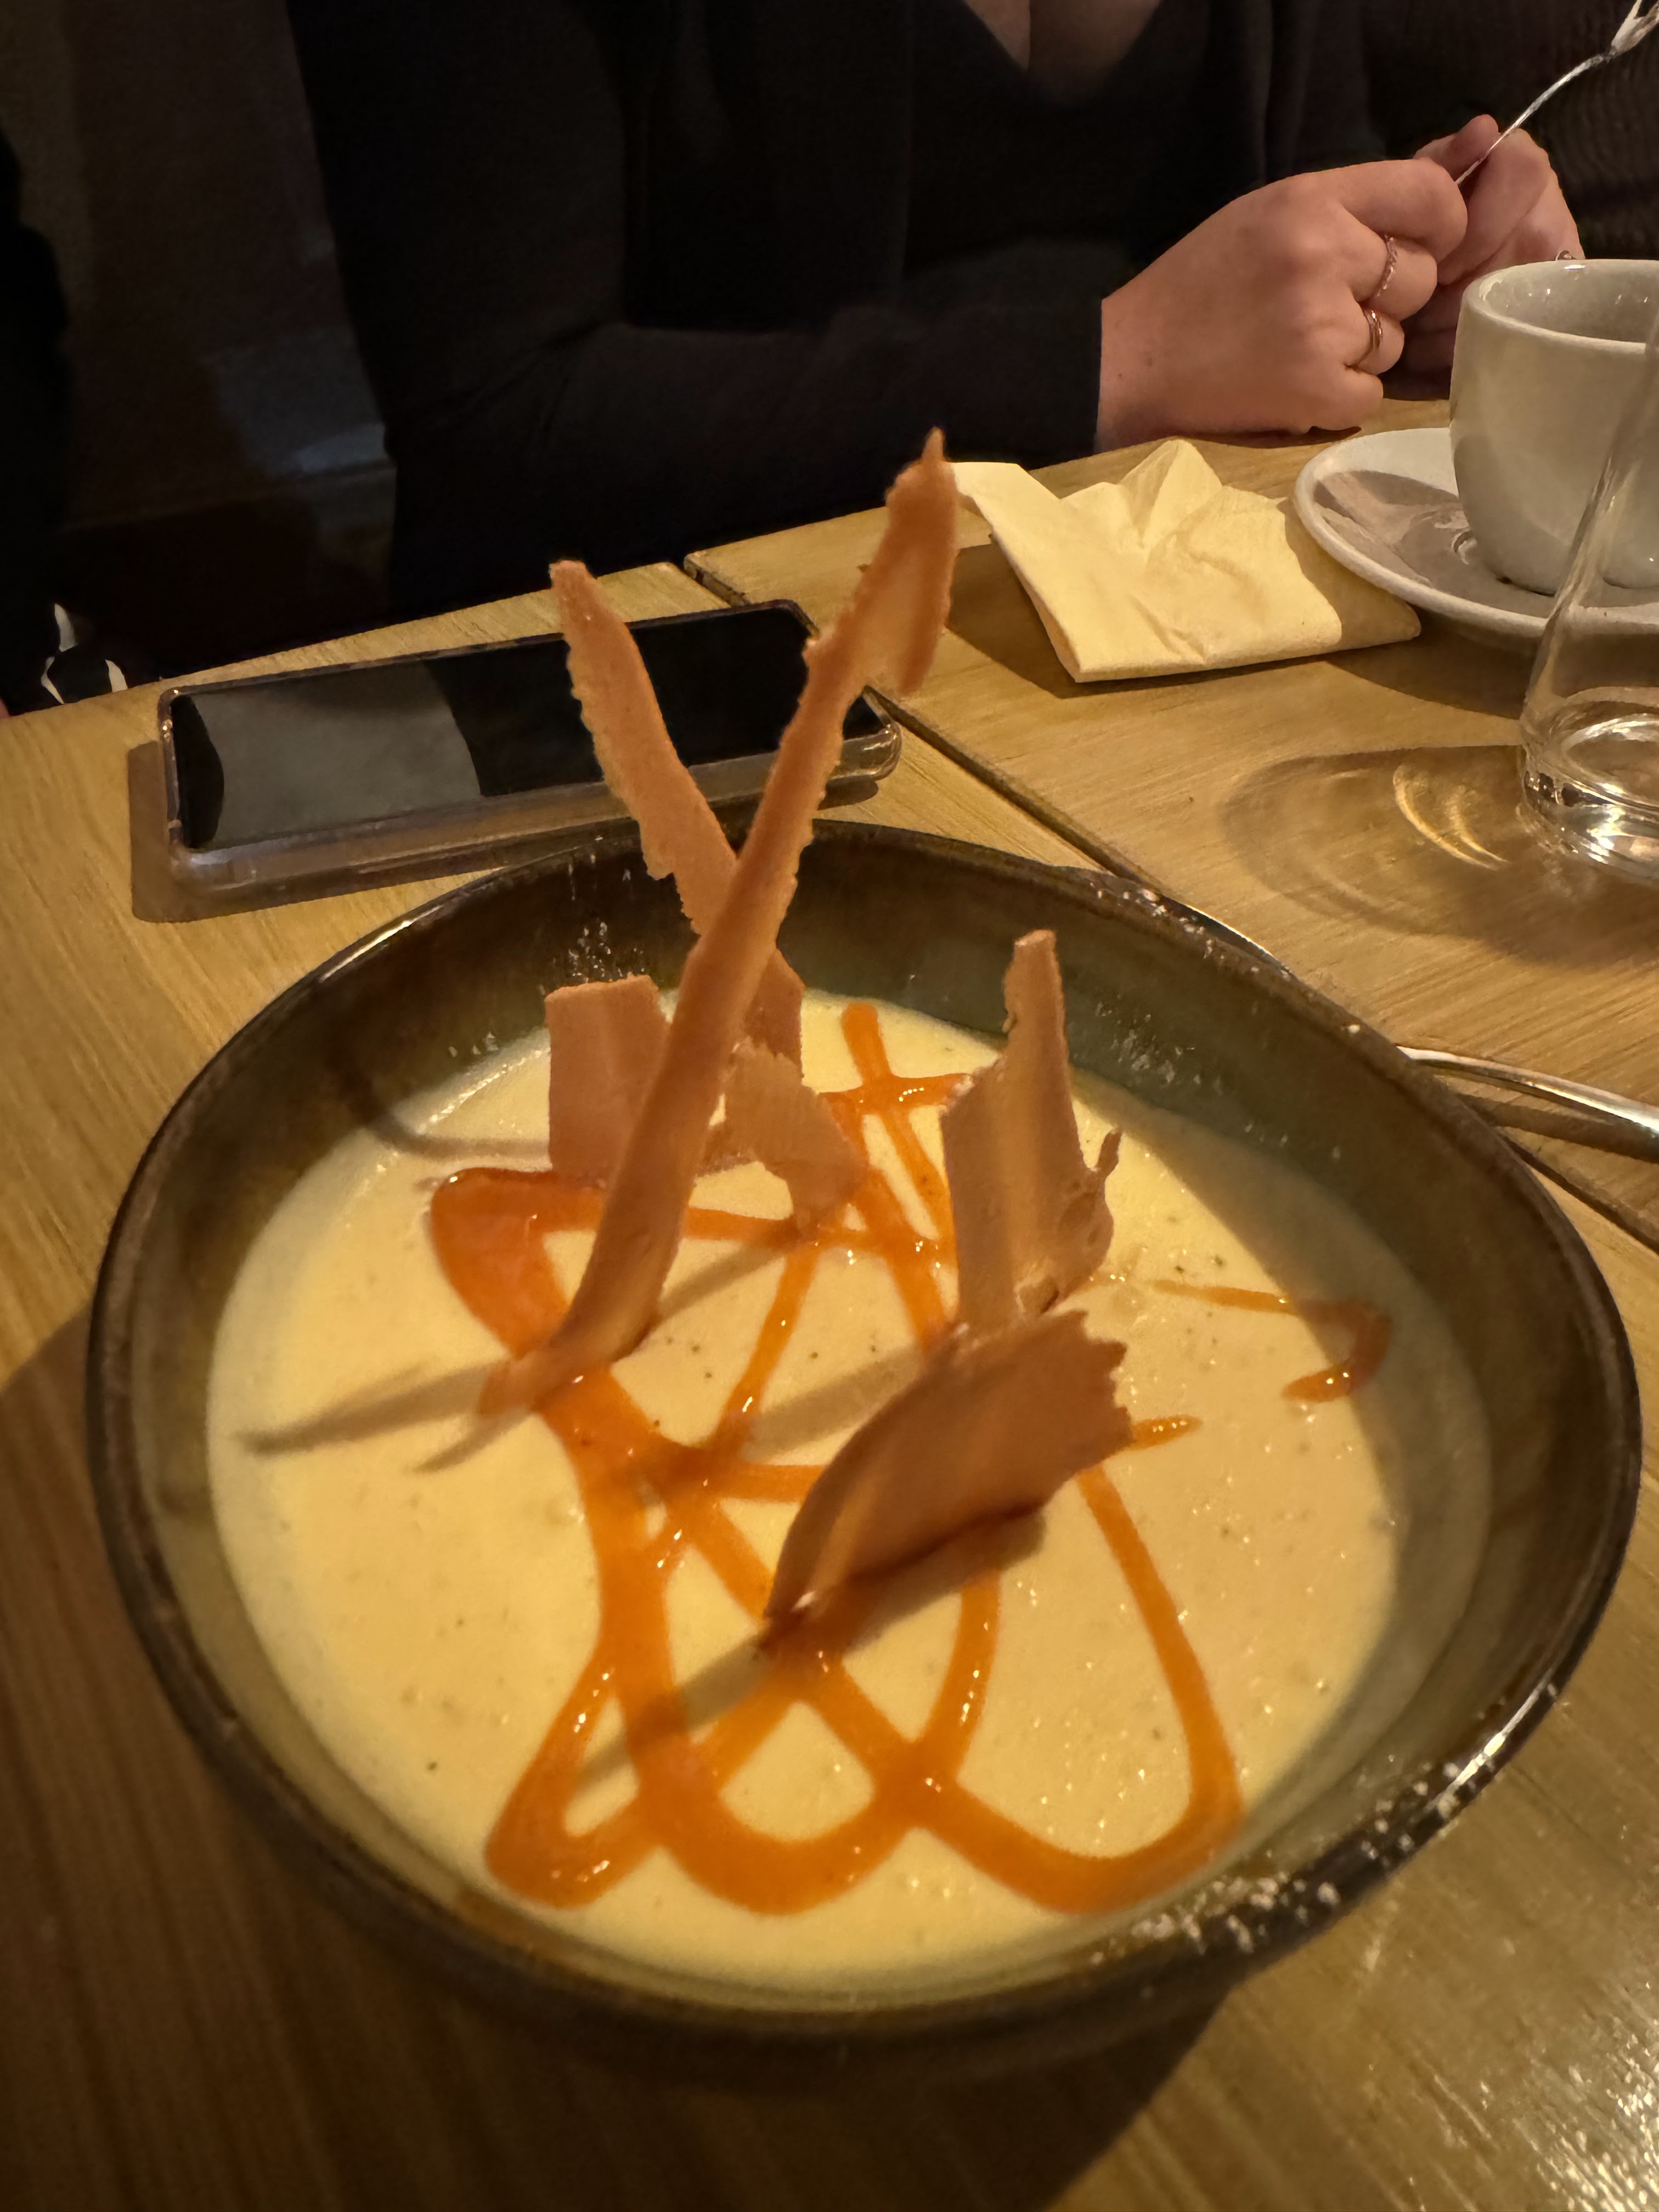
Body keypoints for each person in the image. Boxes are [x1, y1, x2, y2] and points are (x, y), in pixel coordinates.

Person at [283, 0, 1578, 616]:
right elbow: (496, 428)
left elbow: (1283, 219)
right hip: (683, 694)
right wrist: (1117, 361)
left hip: (1180, 651)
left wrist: (1411, 290)